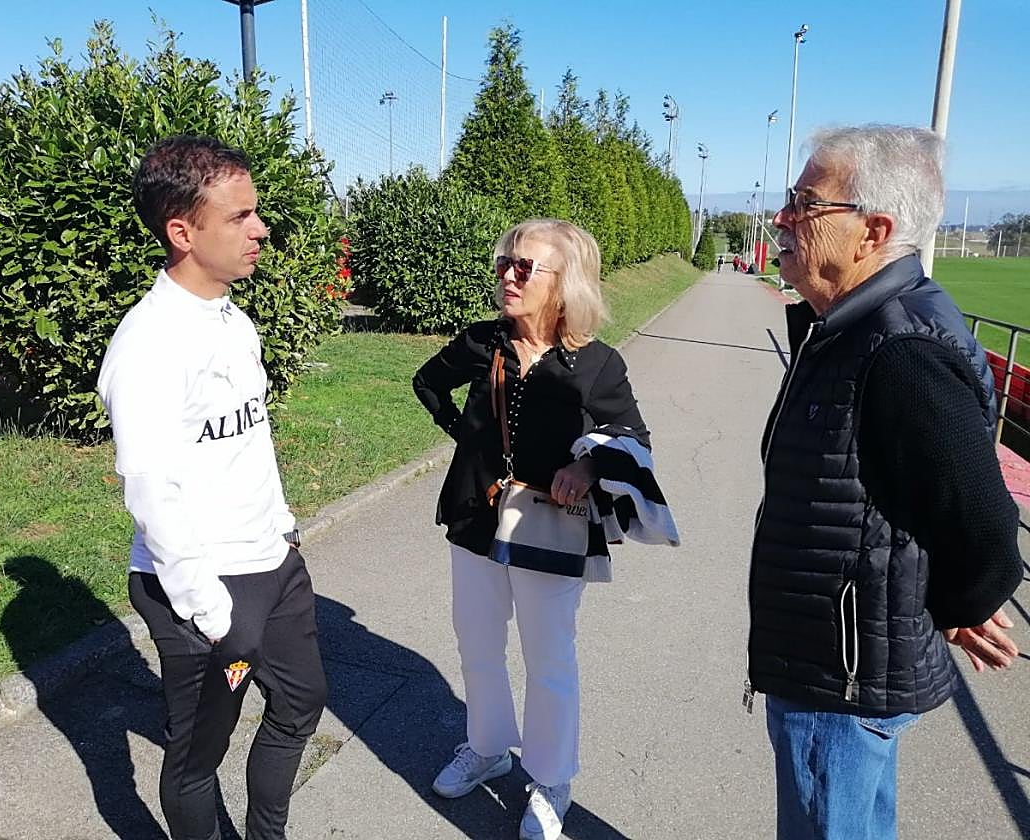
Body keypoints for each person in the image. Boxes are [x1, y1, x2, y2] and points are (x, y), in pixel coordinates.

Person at [746, 125, 1023, 840]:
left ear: (874, 230)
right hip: (841, 660)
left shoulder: (899, 348)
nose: (782, 217)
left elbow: (983, 521)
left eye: (804, 203)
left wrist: (964, 599)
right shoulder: (845, 325)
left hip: (842, 677)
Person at [412, 219, 678, 840]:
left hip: (552, 530)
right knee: (477, 644)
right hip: (476, 519)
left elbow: (636, 439)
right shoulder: (482, 343)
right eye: (505, 261)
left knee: (548, 658)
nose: (508, 274)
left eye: (525, 266)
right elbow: (427, 382)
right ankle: (487, 747)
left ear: (565, 282)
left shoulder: (597, 365)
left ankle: (551, 777)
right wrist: (468, 443)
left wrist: (588, 466)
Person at [97, 136, 326, 840]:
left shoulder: (233, 318)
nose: (261, 230)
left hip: (272, 561)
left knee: (301, 705)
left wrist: (282, 529)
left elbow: (248, 438)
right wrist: (210, 611)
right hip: (203, 587)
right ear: (182, 231)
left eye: (256, 213)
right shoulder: (149, 343)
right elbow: (150, 487)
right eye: (241, 218)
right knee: (198, 758)